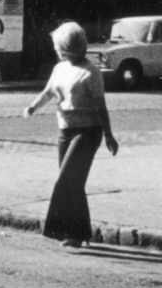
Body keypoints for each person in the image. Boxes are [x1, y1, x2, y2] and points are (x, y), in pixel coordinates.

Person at [24, 21, 118, 248]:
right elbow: (48, 92)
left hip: (87, 132)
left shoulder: (91, 72)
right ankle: (78, 234)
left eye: (58, 46)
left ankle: (57, 230)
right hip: (65, 131)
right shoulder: (60, 69)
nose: (56, 50)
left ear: (67, 48)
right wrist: (32, 107)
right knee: (74, 184)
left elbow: (101, 106)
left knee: (65, 181)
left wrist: (108, 135)